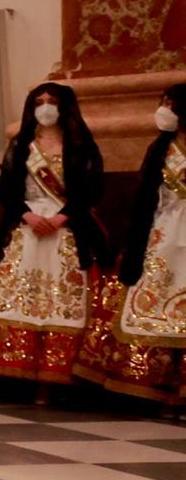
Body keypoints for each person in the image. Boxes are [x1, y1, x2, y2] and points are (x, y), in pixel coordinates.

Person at [0, 82, 107, 391]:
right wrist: (27, 215)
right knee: (20, 293)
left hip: (69, 229)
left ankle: (59, 374)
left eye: (52, 101)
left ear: (65, 107)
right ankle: (18, 370)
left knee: (64, 298)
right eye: (39, 101)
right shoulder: (21, 145)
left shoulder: (82, 144)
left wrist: (63, 216)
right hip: (26, 228)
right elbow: (7, 189)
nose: (45, 107)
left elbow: (93, 188)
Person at [77, 84, 186, 406]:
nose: (164, 109)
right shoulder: (160, 149)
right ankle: (156, 385)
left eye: (170, 103)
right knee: (153, 304)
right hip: (163, 235)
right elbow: (143, 200)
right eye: (162, 102)